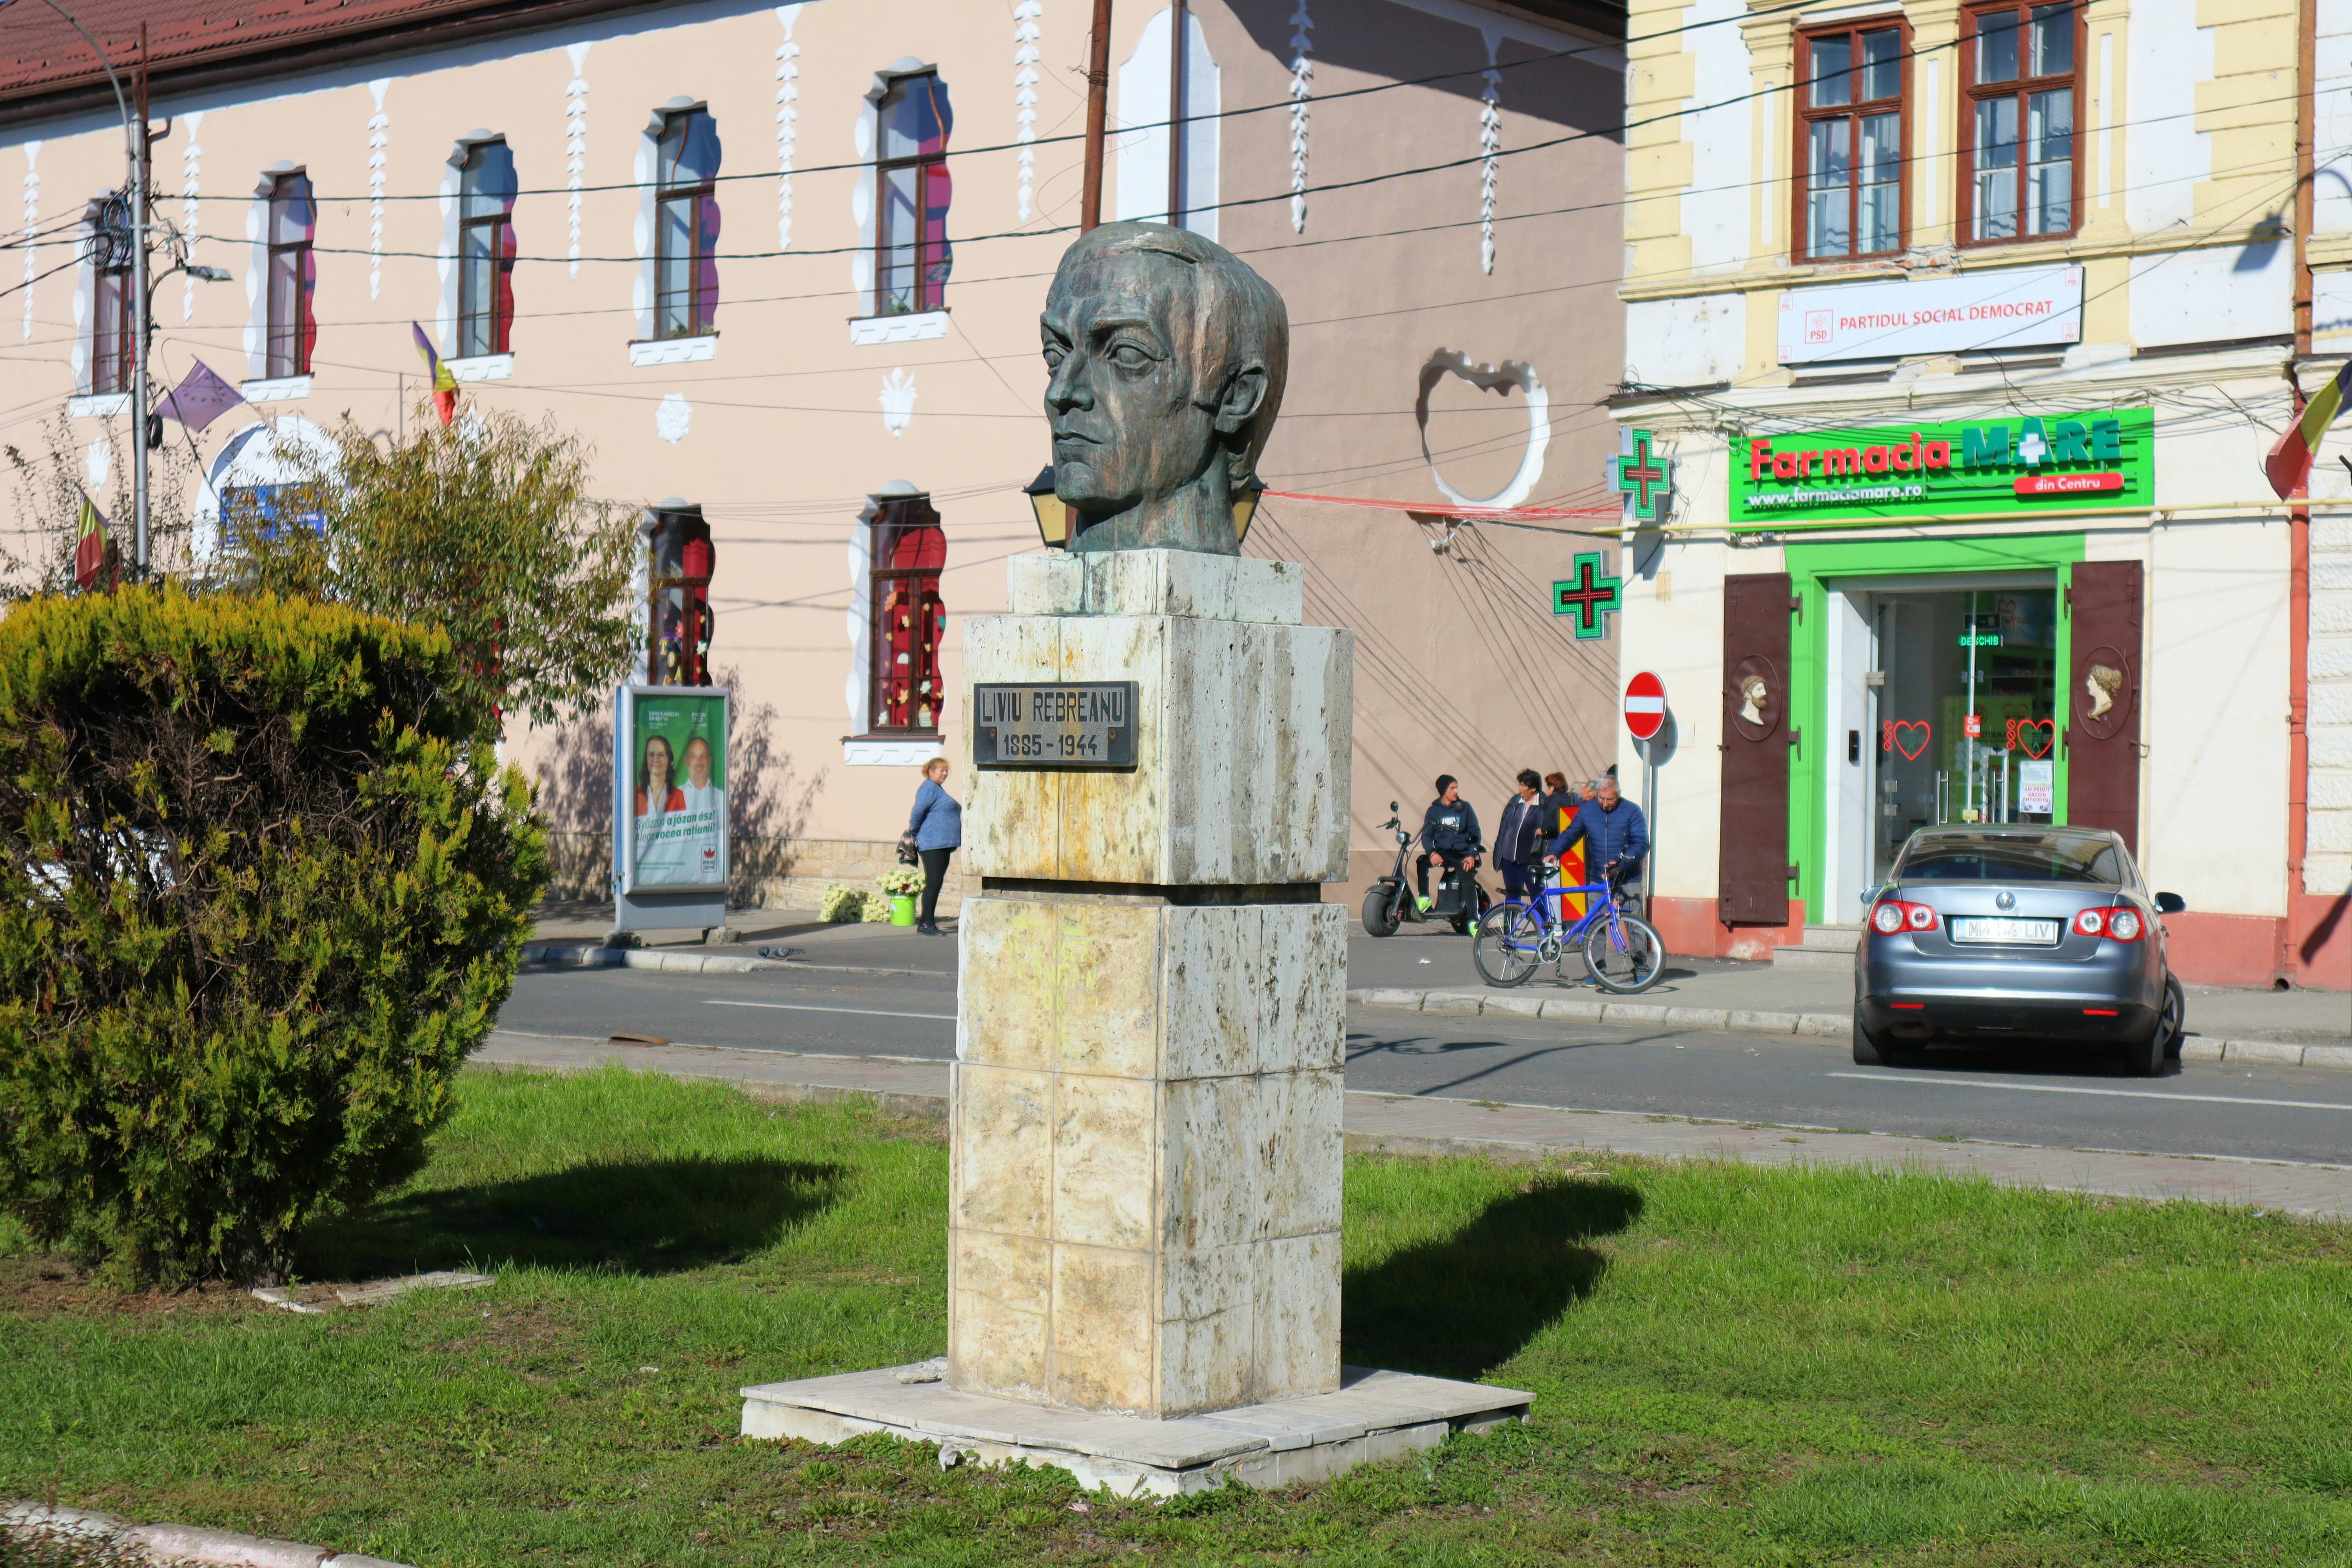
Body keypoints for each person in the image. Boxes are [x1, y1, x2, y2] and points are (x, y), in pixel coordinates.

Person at [1546, 773, 1649, 907]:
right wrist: (1555, 851)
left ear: (1618, 795)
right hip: (1599, 877)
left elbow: (1642, 843)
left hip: (1627, 878)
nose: (1606, 804)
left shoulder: (1632, 811)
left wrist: (1620, 864)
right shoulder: (1588, 809)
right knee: (1595, 925)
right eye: (1601, 799)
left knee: (1635, 925)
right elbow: (1571, 833)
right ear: (1597, 793)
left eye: (1610, 800)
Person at [907, 756, 962, 936]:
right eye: (941, 770)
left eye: (946, 770)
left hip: (941, 844)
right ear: (931, 772)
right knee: (933, 882)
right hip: (932, 844)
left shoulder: (937, 789)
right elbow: (918, 811)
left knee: (936, 882)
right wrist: (912, 831)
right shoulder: (929, 787)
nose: (945, 773)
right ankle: (926, 925)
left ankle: (927, 923)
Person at [1415, 774, 1482, 911]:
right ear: (1443, 791)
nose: (1456, 791)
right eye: (1452, 788)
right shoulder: (1433, 811)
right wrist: (1432, 853)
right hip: (1443, 854)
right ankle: (1424, 898)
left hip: (1462, 854)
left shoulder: (1465, 808)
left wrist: (1472, 855)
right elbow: (1427, 836)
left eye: (1457, 788)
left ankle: (1473, 921)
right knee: (1422, 862)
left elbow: (1475, 833)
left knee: (1468, 882)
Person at [1493, 769, 1548, 901]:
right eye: (1520, 785)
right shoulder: (1516, 802)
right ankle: (1510, 923)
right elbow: (1504, 828)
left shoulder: (1544, 805)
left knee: (1537, 897)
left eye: (1524, 786)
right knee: (1512, 897)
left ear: (1534, 789)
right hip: (1510, 859)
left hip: (1532, 862)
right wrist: (1499, 852)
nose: (1520, 789)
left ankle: (1543, 922)